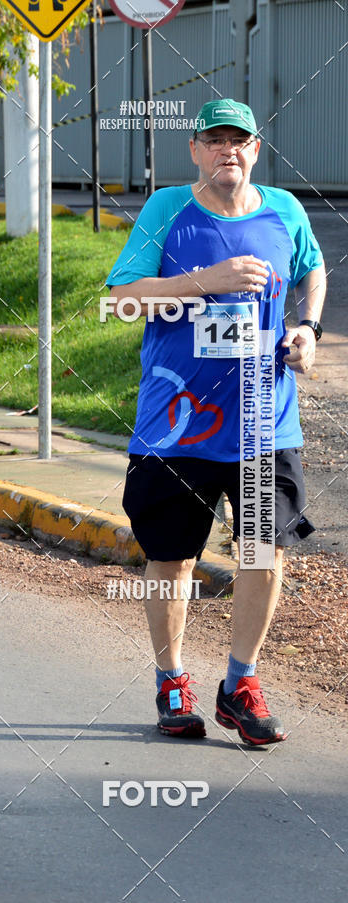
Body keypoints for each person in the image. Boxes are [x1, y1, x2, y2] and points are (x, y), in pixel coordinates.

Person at [106, 99, 326, 745]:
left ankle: (241, 682)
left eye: (240, 140)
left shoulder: (285, 209)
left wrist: (307, 329)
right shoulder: (167, 210)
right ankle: (173, 681)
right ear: (196, 151)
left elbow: (312, 271)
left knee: (265, 553)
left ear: (256, 149)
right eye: (215, 139)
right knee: (172, 559)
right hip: (179, 428)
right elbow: (121, 299)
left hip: (264, 422)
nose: (228, 150)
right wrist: (209, 278)